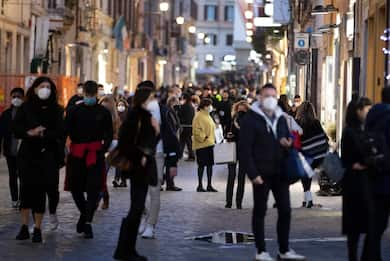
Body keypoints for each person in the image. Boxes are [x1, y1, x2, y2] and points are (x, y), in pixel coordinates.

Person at [240, 83, 305, 261]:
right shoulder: (251, 119)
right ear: (260, 97)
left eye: (273, 95)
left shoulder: (281, 118)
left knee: (285, 210)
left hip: (280, 172)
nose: (270, 99)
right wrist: (253, 174)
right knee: (260, 211)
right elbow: (244, 150)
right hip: (261, 173)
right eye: (266, 95)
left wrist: (288, 143)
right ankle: (261, 251)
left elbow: (288, 139)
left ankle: (284, 249)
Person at [13, 77, 65, 243]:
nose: (45, 89)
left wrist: (43, 133)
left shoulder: (57, 109)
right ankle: (23, 226)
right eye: (42, 86)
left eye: (48, 86)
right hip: (28, 154)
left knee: (41, 191)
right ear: (35, 89)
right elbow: (16, 128)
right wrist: (29, 133)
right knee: (26, 189)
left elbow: (60, 132)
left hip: (47, 155)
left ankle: (37, 228)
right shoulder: (25, 108)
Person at [113, 86, 159, 261]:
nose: (154, 101)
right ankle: (125, 250)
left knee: (137, 208)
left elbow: (151, 142)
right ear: (144, 99)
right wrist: (141, 157)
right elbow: (126, 143)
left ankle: (126, 249)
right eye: (152, 98)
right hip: (137, 167)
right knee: (136, 208)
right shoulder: (135, 116)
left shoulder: (147, 117)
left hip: (143, 167)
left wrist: (156, 132)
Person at [65, 80, 113, 239]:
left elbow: (109, 134)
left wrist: (102, 149)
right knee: (75, 187)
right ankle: (85, 214)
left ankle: (87, 223)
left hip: (95, 154)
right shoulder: (74, 111)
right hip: (78, 153)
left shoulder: (103, 112)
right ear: (84, 94)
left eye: (92, 95)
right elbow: (67, 130)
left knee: (93, 189)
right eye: (88, 95)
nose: (90, 97)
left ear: (95, 95)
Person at [341, 97, 375, 261]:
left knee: (370, 224)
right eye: (367, 110)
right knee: (354, 227)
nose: (368, 113)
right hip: (354, 183)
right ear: (358, 111)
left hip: (364, 181)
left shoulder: (364, 129)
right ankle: (353, 257)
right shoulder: (350, 131)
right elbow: (347, 159)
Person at [137, 81, 165, 240]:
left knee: (154, 191)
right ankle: (144, 215)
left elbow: (167, 133)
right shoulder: (136, 111)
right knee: (139, 190)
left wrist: (173, 160)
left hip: (157, 155)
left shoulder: (161, 109)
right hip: (139, 155)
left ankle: (151, 225)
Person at [365, 87, 390, 261]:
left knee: (377, 223)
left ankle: (370, 256)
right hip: (387, 173)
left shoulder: (371, 117)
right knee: (379, 223)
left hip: (373, 175)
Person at [296, 101, 329, 208]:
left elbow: (296, 139)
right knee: (308, 175)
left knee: (305, 176)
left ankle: (308, 199)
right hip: (316, 156)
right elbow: (323, 136)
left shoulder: (298, 122)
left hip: (304, 155)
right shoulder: (316, 122)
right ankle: (307, 200)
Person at [0, 87, 24, 209]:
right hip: (10, 149)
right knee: (12, 175)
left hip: (24, 150)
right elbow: (1, 132)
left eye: (18, 96)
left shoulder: (27, 113)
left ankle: (22, 199)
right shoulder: (5, 114)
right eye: (14, 96)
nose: (16, 99)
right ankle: (14, 199)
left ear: (23, 98)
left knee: (23, 175)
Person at [225, 100, 250, 209]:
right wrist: (228, 135)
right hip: (238, 149)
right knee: (237, 177)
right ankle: (235, 202)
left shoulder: (235, 120)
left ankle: (231, 202)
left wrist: (230, 135)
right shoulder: (233, 119)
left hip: (237, 149)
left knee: (234, 177)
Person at [99, 95, 121, 209]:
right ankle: (103, 197)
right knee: (99, 176)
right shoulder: (97, 116)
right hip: (98, 147)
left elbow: (117, 135)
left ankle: (99, 199)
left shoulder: (115, 119)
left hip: (109, 149)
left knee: (102, 175)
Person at [192, 98, 217, 192]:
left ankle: (209, 185)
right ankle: (200, 185)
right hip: (201, 145)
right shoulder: (198, 116)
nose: (210, 107)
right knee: (202, 165)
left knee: (210, 165)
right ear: (205, 106)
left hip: (210, 144)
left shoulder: (208, 115)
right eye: (209, 105)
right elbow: (196, 130)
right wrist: (204, 137)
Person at [161, 96, 182, 191]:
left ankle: (169, 182)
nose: (179, 104)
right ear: (173, 102)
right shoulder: (168, 112)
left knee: (170, 163)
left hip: (169, 141)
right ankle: (167, 182)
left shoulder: (170, 111)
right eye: (177, 102)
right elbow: (170, 128)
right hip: (169, 142)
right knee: (170, 163)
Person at [113, 98, 129, 188]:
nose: (120, 107)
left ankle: (122, 180)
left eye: (122, 105)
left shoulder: (128, 117)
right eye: (119, 105)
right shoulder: (115, 117)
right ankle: (117, 179)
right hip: (116, 141)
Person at [179, 93, 195, 161]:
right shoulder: (191, 106)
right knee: (187, 141)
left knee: (184, 141)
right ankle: (190, 155)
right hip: (190, 126)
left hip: (184, 126)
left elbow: (180, 115)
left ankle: (190, 155)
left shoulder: (184, 106)